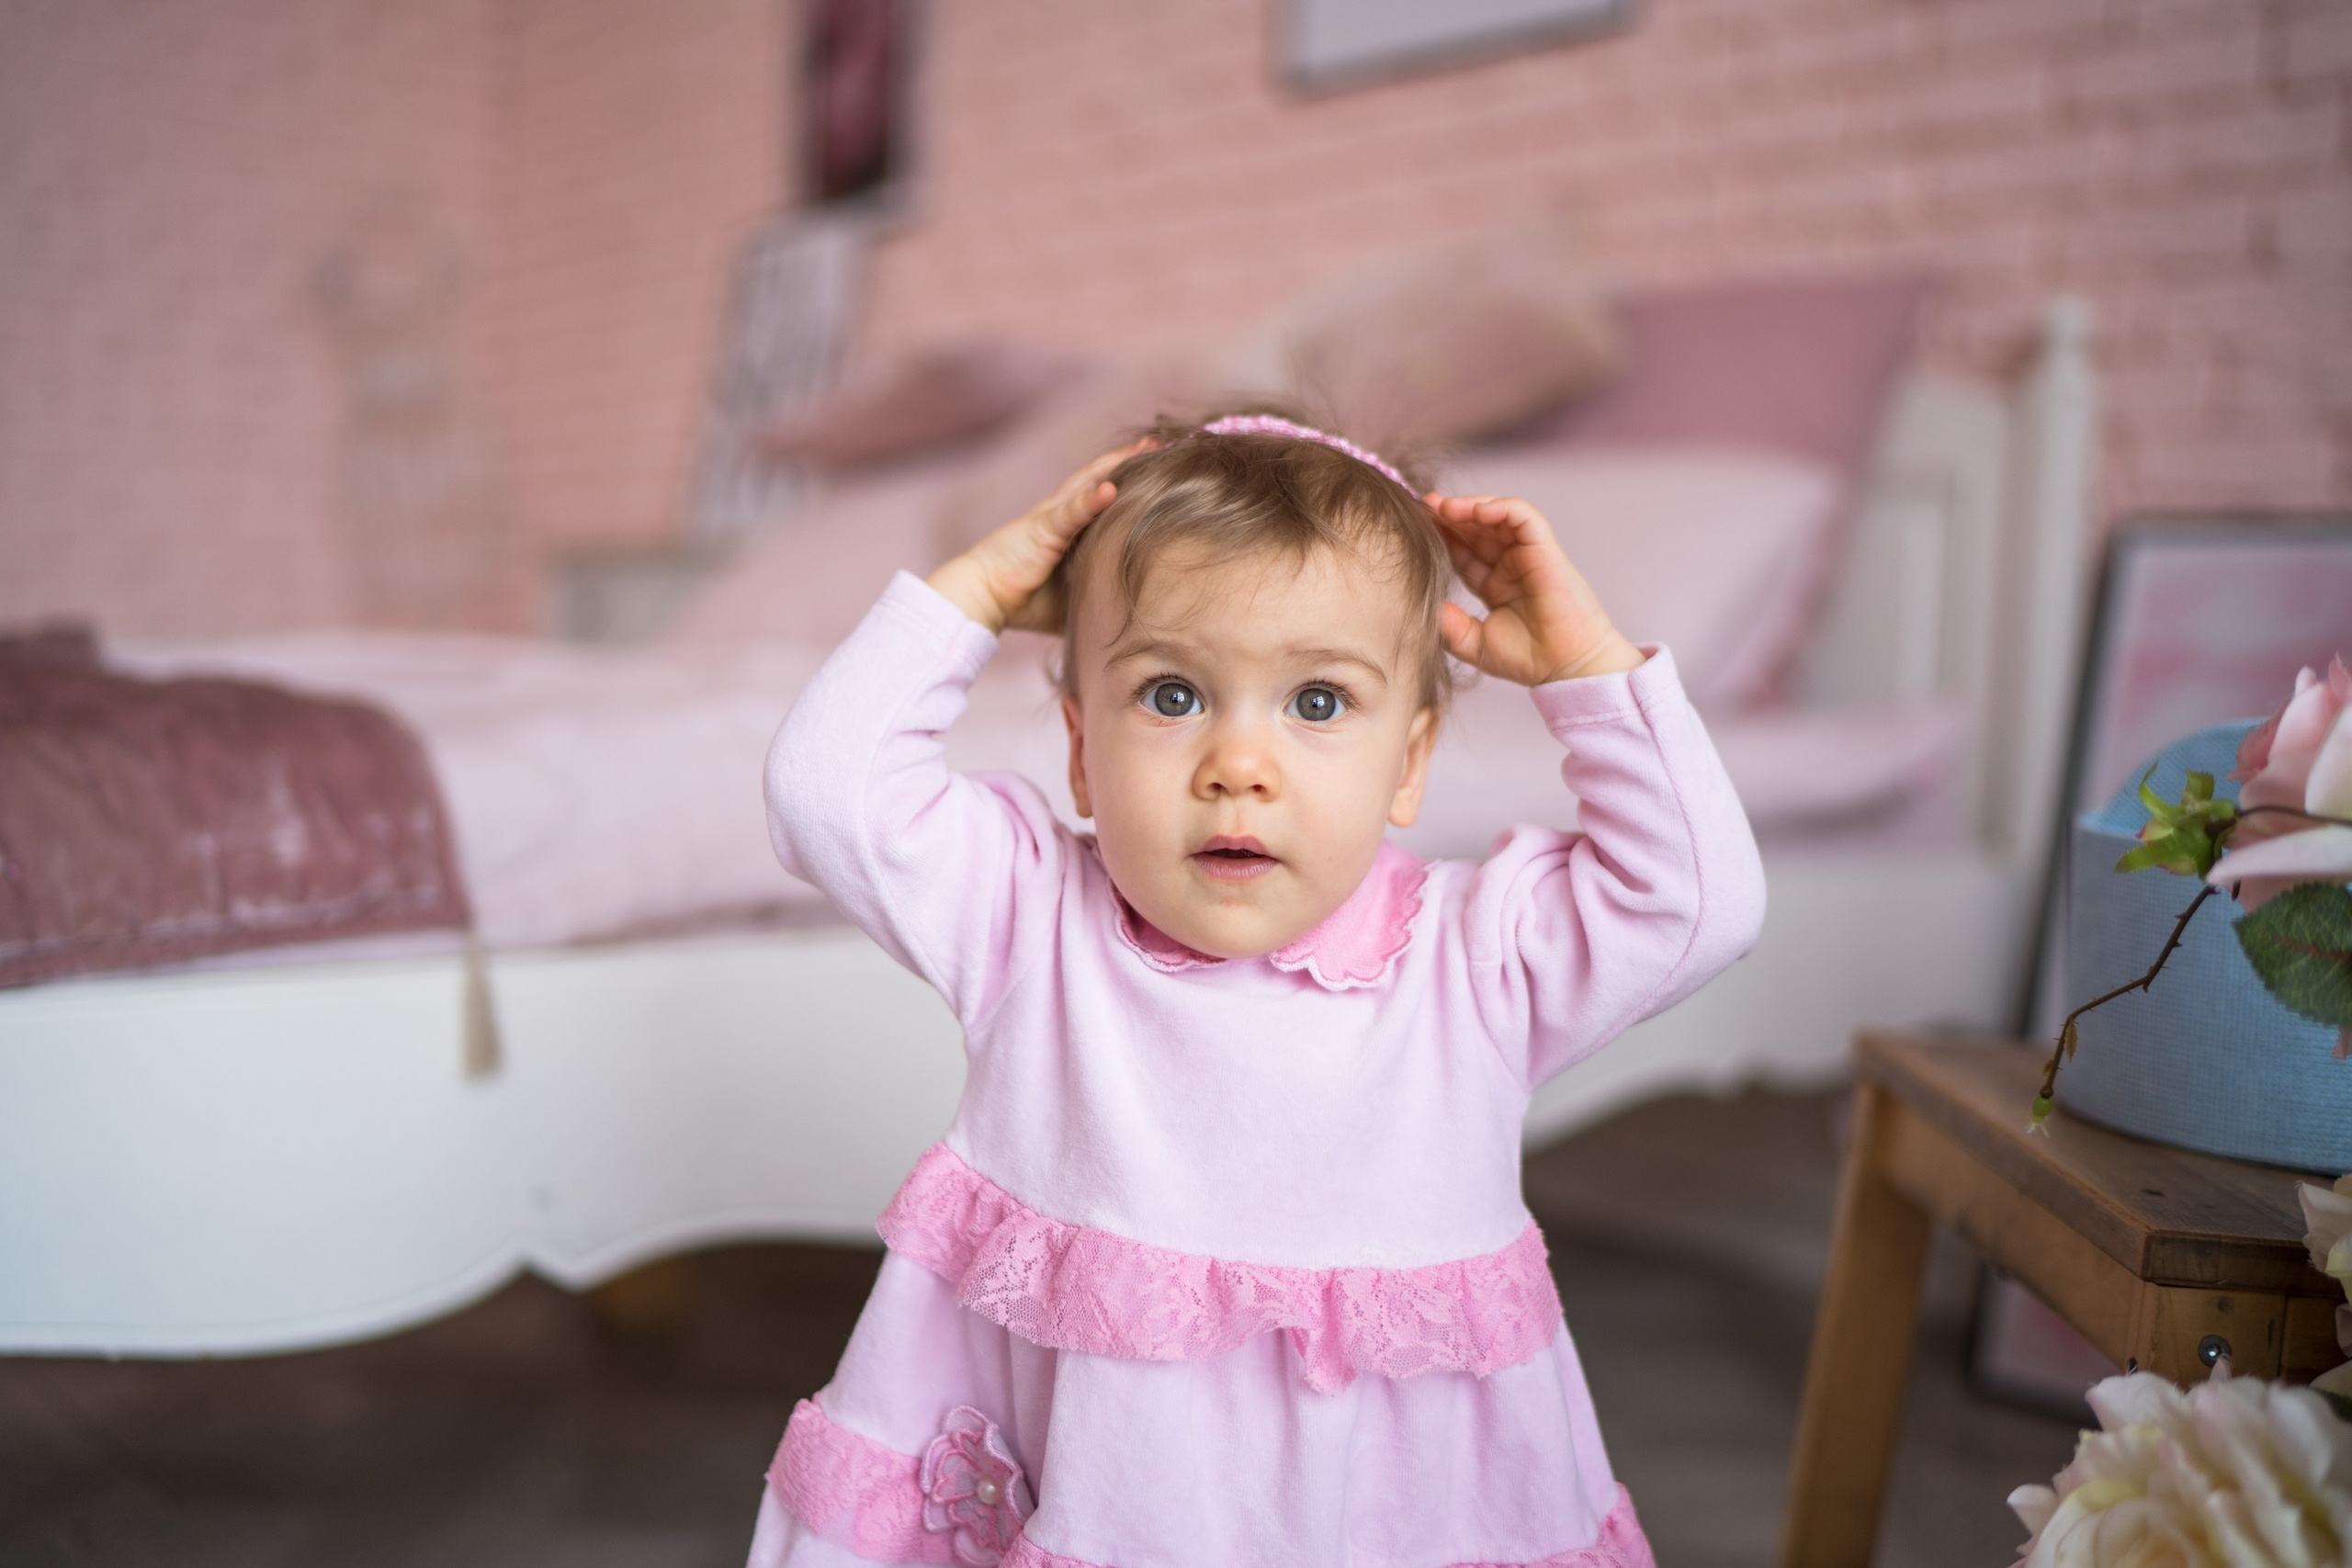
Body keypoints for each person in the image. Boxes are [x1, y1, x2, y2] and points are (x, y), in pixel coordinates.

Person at [746, 412, 1766, 1568]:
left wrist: (1591, 677)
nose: (1239, 764)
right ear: (1080, 752)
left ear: (1412, 762)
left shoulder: (1475, 957)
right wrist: (971, 594)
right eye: (1172, 695)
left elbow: (1698, 903)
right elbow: (825, 790)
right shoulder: (1027, 915)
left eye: (1317, 703)